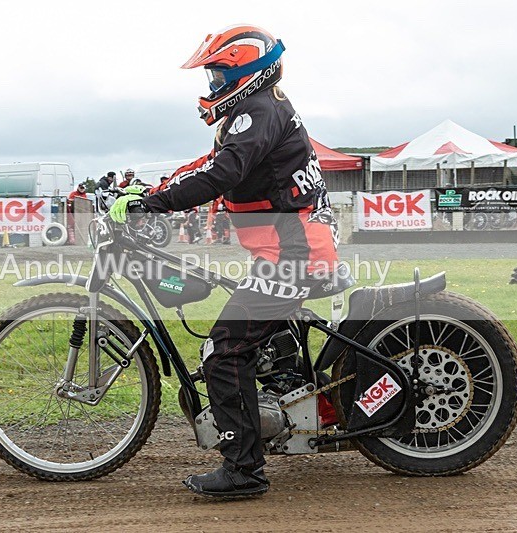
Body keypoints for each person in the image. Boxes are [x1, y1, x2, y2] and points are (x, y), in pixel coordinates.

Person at [110, 24, 340, 498]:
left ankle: (244, 470)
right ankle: (291, 405)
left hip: (293, 255)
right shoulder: (257, 112)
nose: (212, 85)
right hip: (290, 249)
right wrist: (146, 190)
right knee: (255, 337)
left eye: (217, 74)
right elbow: (210, 161)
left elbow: (221, 173)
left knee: (223, 351)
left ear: (246, 73)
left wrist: (150, 205)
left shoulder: (257, 111)